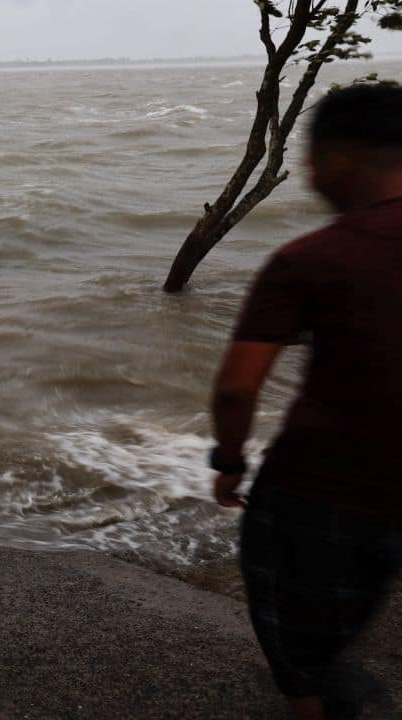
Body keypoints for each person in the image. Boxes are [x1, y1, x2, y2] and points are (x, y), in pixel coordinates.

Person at [210, 84, 402, 720]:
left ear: (341, 159)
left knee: (292, 627)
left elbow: (238, 386)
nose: (310, 175)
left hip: (322, 487)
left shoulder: (309, 259)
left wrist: (229, 461)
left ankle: (313, 694)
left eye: (313, 159)